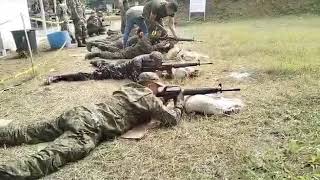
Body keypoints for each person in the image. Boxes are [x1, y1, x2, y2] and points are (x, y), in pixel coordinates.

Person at [0, 72, 183, 179]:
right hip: (90, 126)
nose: (160, 90)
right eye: (158, 87)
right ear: (150, 84)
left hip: (80, 112)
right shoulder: (149, 98)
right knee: (50, 157)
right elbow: (171, 119)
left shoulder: (127, 88)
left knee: (27, 132)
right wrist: (179, 102)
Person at [45, 51, 163, 84]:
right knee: (89, 76)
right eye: (156, 63)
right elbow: (136, 79)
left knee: (106, 64)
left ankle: (97, 62)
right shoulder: (138, 62)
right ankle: (58, 77)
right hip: (114, 72)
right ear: (151, 59)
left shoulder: (147, 58)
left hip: (118, 66)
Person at [85, 31, 175, 60]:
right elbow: (149, 50)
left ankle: (95, 45)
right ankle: (96, 54)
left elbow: (158, 50)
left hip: (128, 50)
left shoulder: (150, 39)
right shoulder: (145, 39)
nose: (160, 38)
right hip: (128, 53)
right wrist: (160, 45)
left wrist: (169, 46)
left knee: (110, 48)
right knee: (111, 54)